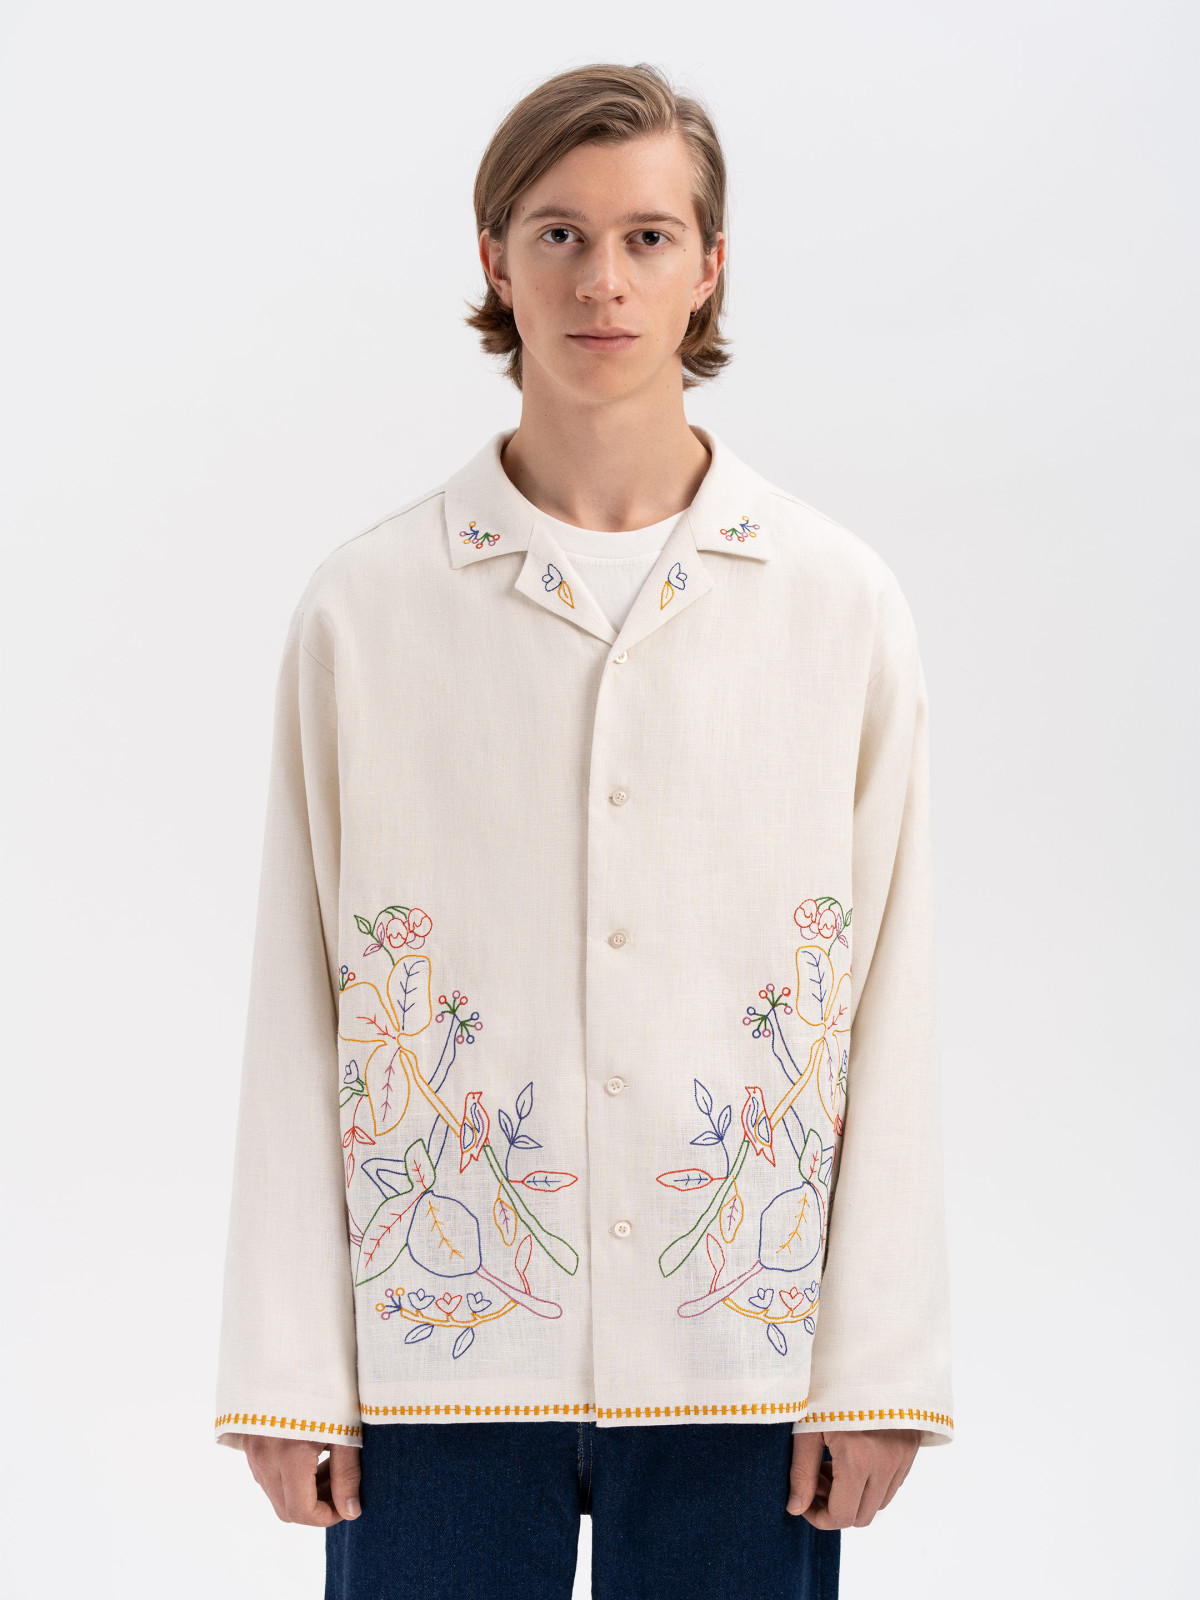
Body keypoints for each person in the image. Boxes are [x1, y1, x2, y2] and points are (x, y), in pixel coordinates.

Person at [213, 61, 954, 1600]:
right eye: (558, 234)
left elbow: (895, 987)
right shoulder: (371, 608)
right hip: (437, 1355)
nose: (602, 280)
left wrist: (880, 1363)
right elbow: (299, 986)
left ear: (709, 266)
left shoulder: (836, 605)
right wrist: (287, 1368)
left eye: (646, 237)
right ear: (495, 260)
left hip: (745, 1360)